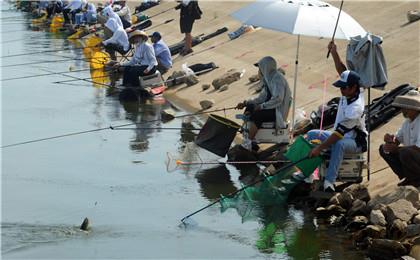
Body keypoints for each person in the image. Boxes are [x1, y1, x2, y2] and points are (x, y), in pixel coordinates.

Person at [305, 70, 367, 192]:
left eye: (344, 88)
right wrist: (334, 53)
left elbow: (338, 135)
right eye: (340, 87)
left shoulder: (356, 108)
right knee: (312, 134)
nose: (341, 91)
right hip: (341, 135)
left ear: (354, 87)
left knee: (339, 144)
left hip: (355, 141)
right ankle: (309, 174)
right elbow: (343, 70)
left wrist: (319, 148)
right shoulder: (350, 92)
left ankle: (329, 182)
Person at [236, 56, 292, 151]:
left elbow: (278, 99)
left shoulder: (277, 79)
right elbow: (262, 97)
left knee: (257, 115)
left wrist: (262, 106)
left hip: (278, 111)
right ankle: (250, 138)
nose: (259, 70)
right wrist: (246, 103)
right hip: (271, 107)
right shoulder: (268, 79)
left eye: (260, 67)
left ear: (266, 67)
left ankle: (248, 143)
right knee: (250, 107)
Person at [379, 90, 420, 186]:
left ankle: (416, 179)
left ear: (414, 109)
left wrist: (397, 149)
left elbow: (418, 148)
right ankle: (408, 177)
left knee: (404, 152)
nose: (403, 110)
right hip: (412, 156)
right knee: (384, 149)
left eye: (406, 108)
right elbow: (397, 139)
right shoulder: (407, 122)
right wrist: (390, 140)